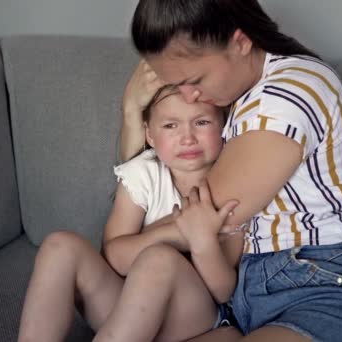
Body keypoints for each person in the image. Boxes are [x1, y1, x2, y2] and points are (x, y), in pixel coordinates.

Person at [120, 1, 342, 341]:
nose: (189, 97)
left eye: (194, 80)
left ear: (240, 41)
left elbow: (206, 211)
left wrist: (124, 248)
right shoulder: (236, 99)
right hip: (253, 300)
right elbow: (151, 177)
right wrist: (132, 111)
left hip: (335, 288)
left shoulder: (289, 91)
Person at [17, 84, 244, 342]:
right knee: (60, 245)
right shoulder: (143, 174)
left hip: (194, 321)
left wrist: (202, 241)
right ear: (150, 135)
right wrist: (177, 232)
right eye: (171, 126)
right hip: (130, 314)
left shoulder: (233, 186)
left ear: (225, 127)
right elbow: (114, 256)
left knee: (160, 260)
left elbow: (224, 291)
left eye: (201, 122)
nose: (187, 137)